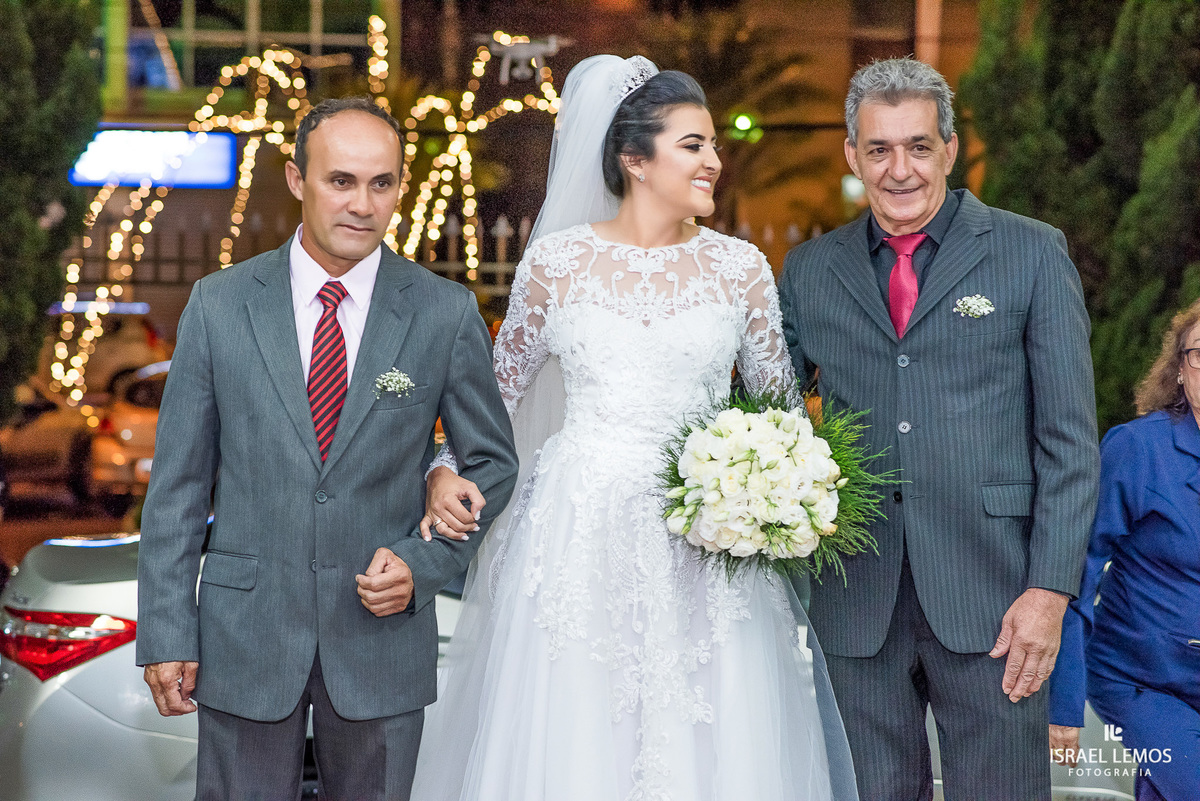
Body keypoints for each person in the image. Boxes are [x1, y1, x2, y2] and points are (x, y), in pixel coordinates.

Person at [411, 55, 858, 801]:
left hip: (707, 541)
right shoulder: (557, 264)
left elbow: (781, 412)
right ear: (633, 158)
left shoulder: (740, 268)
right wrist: (443, 466)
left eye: (714, 145)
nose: (715, 160)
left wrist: (777, 480)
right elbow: (496, 399)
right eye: (694, 145)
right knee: (579, 732)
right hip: (579, 532)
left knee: (709, 734)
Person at [135, 96, 518, 800]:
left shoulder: (443, 311)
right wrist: (165, 629)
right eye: (341, 180)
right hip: (245, 635)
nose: (363, 204)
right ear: (295, 179)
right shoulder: (218, 304)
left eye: (382, 183)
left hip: (382, 643)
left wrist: (426, 564)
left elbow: (492, 460)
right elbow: (179, 486)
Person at [778, 57, 1100, 800]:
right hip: (856, 599)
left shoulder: (1031, 251)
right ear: (851, 154)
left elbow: (1070, 445)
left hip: (997, 599)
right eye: (880, 149)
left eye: (919, 146)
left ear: (950, 150)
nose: (900, 169)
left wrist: (1048, 591)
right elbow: (771, 419)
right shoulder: (809, 270)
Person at [1050, 301, 1200, 799]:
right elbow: (1075, 570)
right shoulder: (1137, 450)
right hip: (1143, 680)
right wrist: (1063, 703)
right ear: (1179, 369)